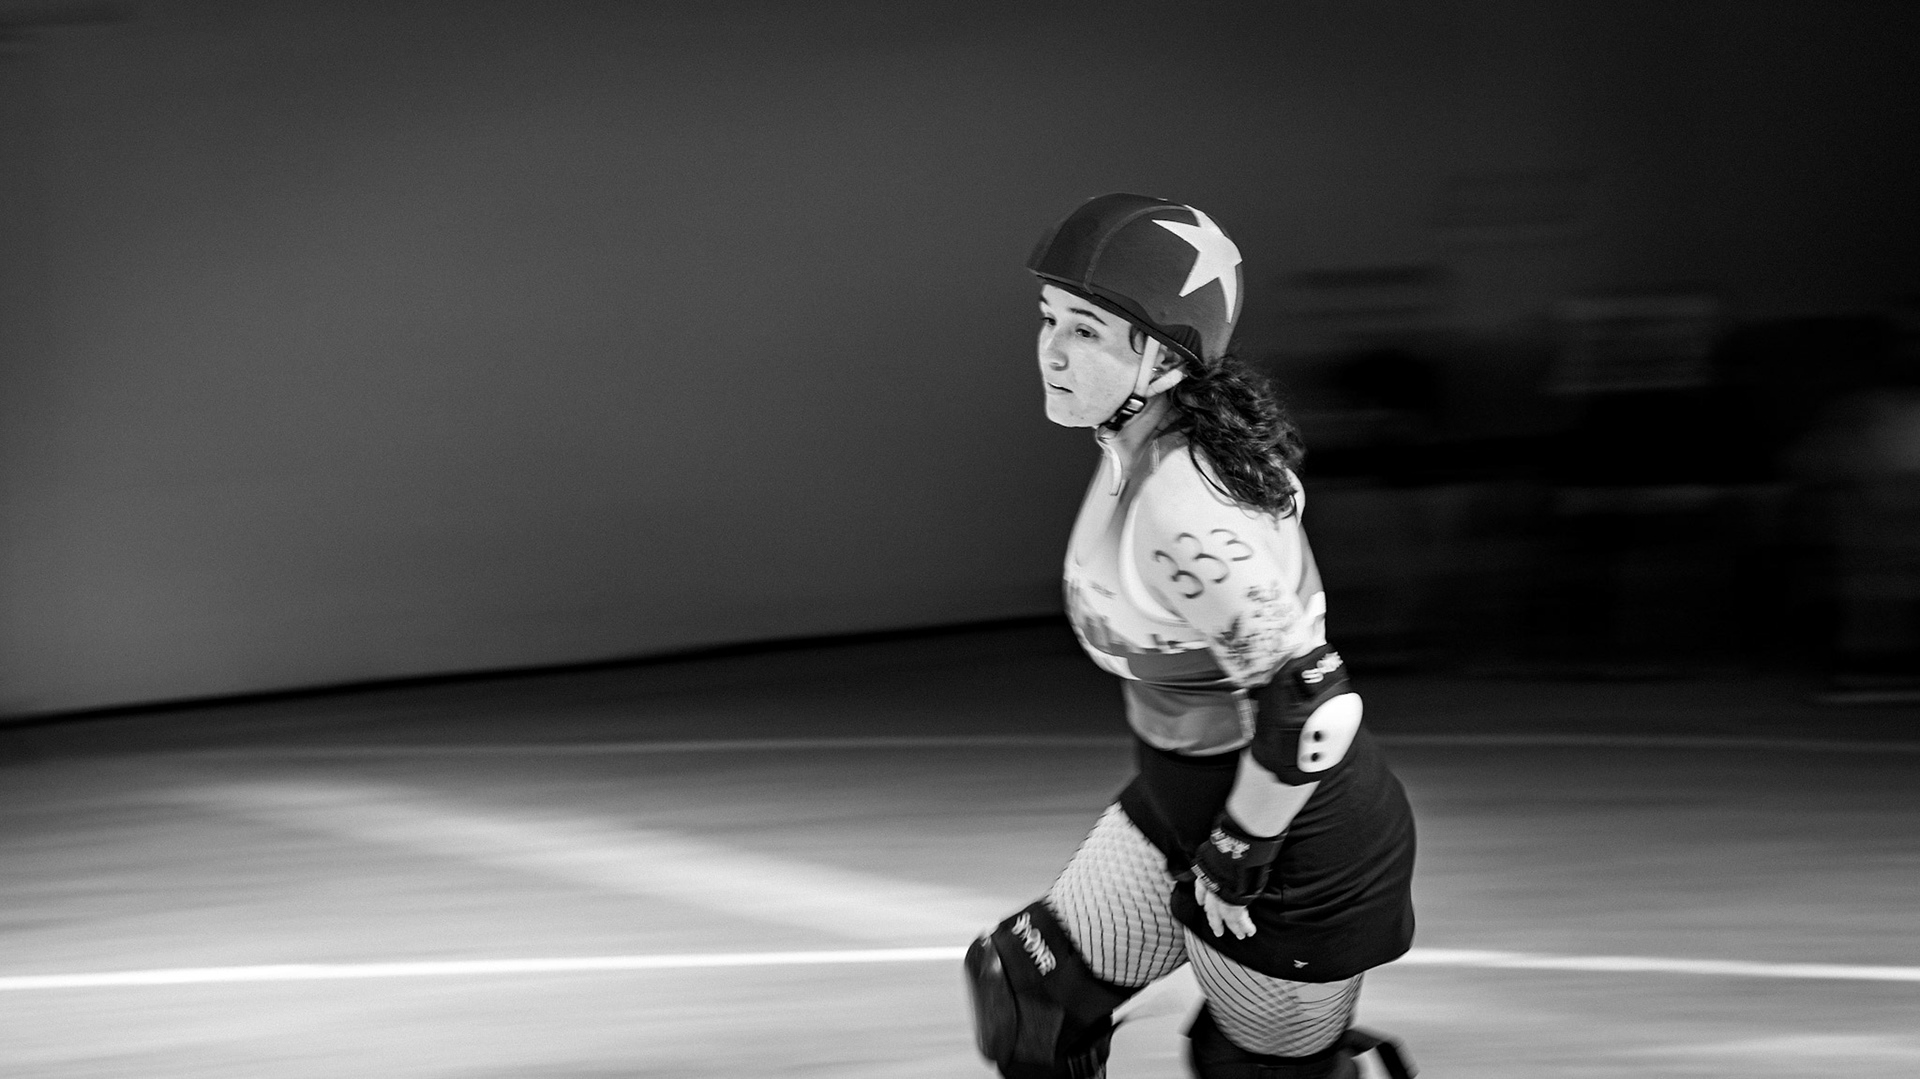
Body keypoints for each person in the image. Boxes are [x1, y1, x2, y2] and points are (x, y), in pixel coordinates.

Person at [965, 193, 1419, 1079]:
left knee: (1252, 1074)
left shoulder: (1181, 505)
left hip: (1290, 850)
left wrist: (1239, 852)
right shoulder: (1150, 439)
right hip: (1188, 803)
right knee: (1027, 997)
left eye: (1087, 331)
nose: (1051, 350)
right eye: (1049, 319)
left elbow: (1311, 702)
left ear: (1166, 360)